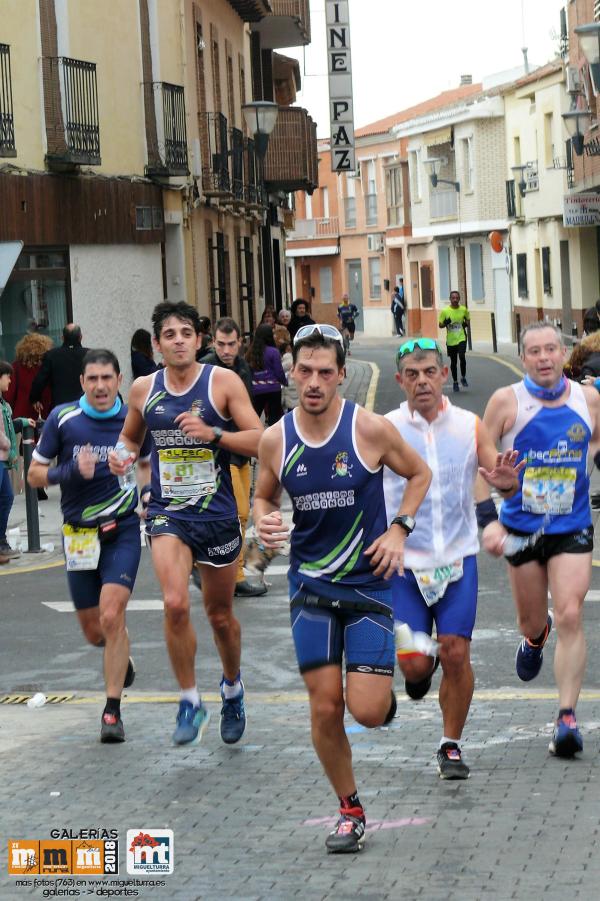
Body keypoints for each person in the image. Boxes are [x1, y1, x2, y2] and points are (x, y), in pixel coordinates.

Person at [253, 323, 432, 853]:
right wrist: (262, 520)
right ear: (291, 372)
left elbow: (417, 475)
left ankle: (382, 702)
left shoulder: (369, 430)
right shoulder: (275, 439)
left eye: (324, 372)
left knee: (368, 712)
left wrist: (399, 529)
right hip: (309, 588)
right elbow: (263, 498)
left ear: (341, 376)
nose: (313, 381)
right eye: (303, 370)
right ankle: (349, 808)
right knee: (325, 707)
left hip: (368, 587)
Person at [109, 301, 263, 747]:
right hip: (167, 514)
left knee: (219, 615)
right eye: (169, 334)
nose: (178, 340)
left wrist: (214, 434)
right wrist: (121, 458)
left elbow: (262, 441)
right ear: (156, 344)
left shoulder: (223, 383)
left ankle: (232, 687)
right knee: (175, 603)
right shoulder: (143, 388)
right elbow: (130, 438)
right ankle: (190, 700)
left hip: (215, 516)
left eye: (186, 333)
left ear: (199, 340)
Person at [383, 337, 522, 779]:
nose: (421, 381)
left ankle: (450, 744)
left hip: (457, 561)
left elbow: (496, 478)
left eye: (429, 372)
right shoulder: (382, 427)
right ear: (399, 380)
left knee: (458, 653)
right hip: (405, 567)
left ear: (444, 374)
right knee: (415, 665)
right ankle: (421, 671)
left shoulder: (469, 424)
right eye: (412, 374)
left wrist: (505, 484)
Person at [481, 322, 600, 758]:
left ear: (561, 353)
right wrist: (491, 514)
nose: (545, 357)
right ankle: (535, 638)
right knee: (535, 621)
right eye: (535, 351)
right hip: (522, 527)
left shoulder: (589, 400)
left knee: (571, 613)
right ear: (523, 357)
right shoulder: (506, 403)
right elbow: (480, 459)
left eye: (551, 349)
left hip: (572, 525)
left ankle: (567, 716)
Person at [27, 349, 152, 743]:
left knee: (113, 615)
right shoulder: (63, 420)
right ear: (82, 382)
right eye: (92, 379)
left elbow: (148, 464)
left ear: (119, 380)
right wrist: (69, 471)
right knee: (95, 631)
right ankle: (119, 653)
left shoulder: (132, 420)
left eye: (107, 378)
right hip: (79, 534)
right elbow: (33, 474)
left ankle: (111, 712)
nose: (100, 386)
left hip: (123, 531)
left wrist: (147, 496)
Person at [200, 317, 266, 598]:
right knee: (235, 513)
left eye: (232, 344)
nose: (226, 350)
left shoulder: (242, 367)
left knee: (241, 514)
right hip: (218, 453)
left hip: (241, 450)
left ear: (240, 343)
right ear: (213, 342)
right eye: (221, 344)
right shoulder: (206, 369)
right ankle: (232, 576)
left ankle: (223, 572)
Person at [0, 361, 34, 562]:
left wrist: (21, 422)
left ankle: (1, 542)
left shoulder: (4, 405)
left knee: (6, 498)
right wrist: (8, 446)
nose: (10, 380)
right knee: (4, 498)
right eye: (7, 376)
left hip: (3, 460)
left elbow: (7, 425)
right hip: (2, 456)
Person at [30, 324, 88, 410]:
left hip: (60, 407)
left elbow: (40, 380)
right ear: (81, 337)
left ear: (62, 338)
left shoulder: (51, 355)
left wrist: (35, 399)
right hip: (84, 405)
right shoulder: (90, 355)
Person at [5, 332, 53, 421]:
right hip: (45, 413)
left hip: (22, 416)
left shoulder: (16, 367)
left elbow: (9, 395)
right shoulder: (48, 367)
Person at [246, 323, 287, 426]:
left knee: (253, 416)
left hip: (256, 389)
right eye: (272, 333)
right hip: (273, 388)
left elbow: (247, 371)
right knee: (275, 419)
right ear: (268, 336)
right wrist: (285, 382)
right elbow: (279, 371)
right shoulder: (274, 351)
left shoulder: (250, 352)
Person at [438, 290, 470, 393]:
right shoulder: (445, 311)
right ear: (450, 299)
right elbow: (440, 325)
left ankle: (463, 377)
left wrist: (465, 324)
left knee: (462, 356)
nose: (455, 300)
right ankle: (455, 382)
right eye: (453, 298)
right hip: (451, 340)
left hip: (461, 337)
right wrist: (446, 323)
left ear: (459, 299)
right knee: (453, 362)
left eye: (457, 298)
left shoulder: (463, 309)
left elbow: (468, 319)